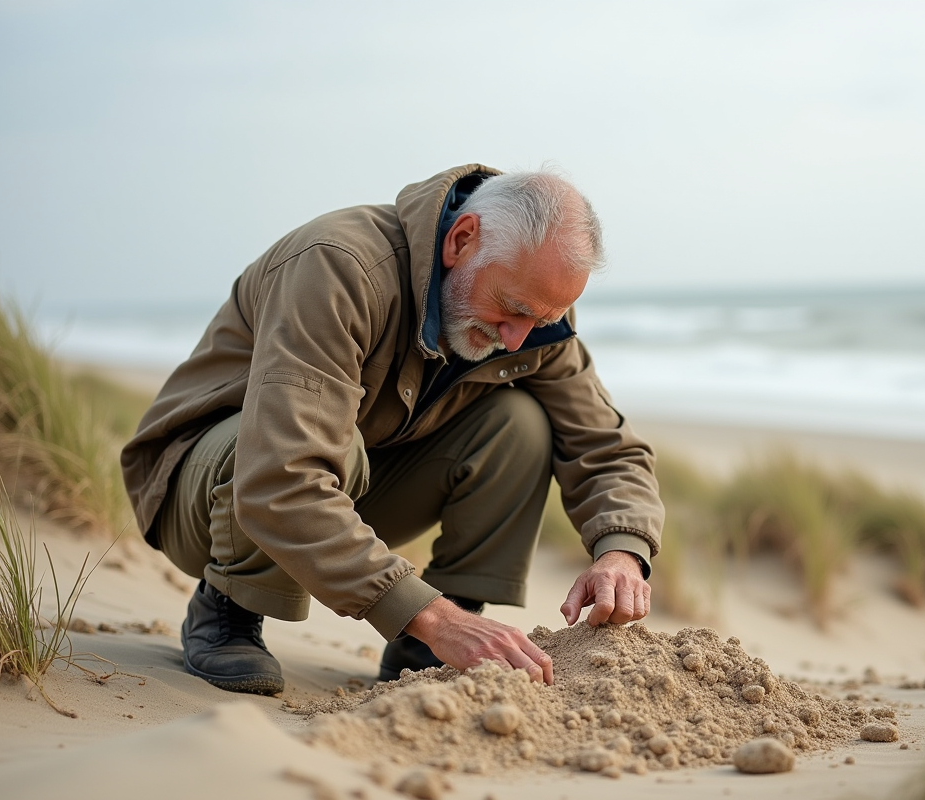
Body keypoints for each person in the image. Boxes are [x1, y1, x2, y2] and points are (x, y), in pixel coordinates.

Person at [121, 164, 664, 695]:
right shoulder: (338, 266)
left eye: (540, 320)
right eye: (512, 309)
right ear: (462, 240)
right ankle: (228, 608)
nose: (519, 339)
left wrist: (620, 551)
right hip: (211, 494)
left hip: (340, 489)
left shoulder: (532, 318)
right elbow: (281, 477)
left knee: (519, 425)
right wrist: (425, 613)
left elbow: (605, 446)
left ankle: (430, 648)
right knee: (332, 444)